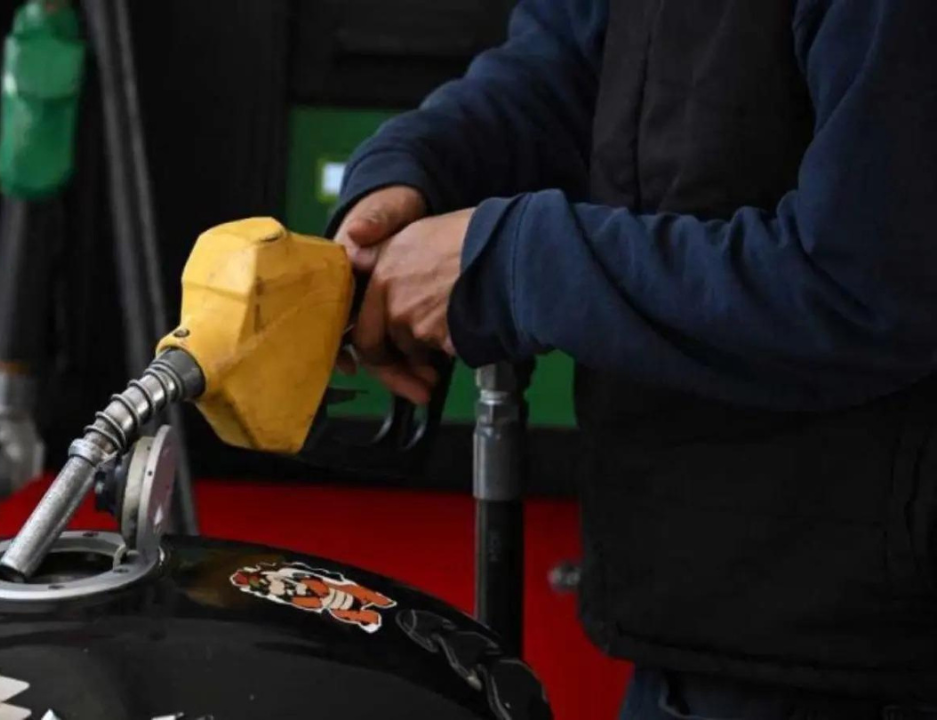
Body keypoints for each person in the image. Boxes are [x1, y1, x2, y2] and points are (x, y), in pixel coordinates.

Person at [329, 1, 937, 718]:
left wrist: (514, 264)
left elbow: (867, 285)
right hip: (696, 625)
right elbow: (565, 71)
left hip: (857, 650)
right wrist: (413, 172)